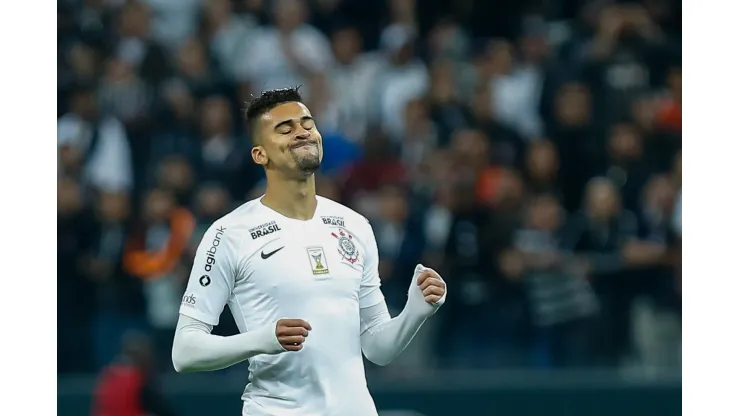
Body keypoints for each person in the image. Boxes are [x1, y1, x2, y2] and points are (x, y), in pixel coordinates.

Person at [171, 87, 447, 416]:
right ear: (261, 155)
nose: (302, 131)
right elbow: (184, 352)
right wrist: (263, 339)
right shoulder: (229, 233)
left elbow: (377, 346)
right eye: (285, 128)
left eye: (307, 123)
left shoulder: (354, 225)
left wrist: (415, 311)